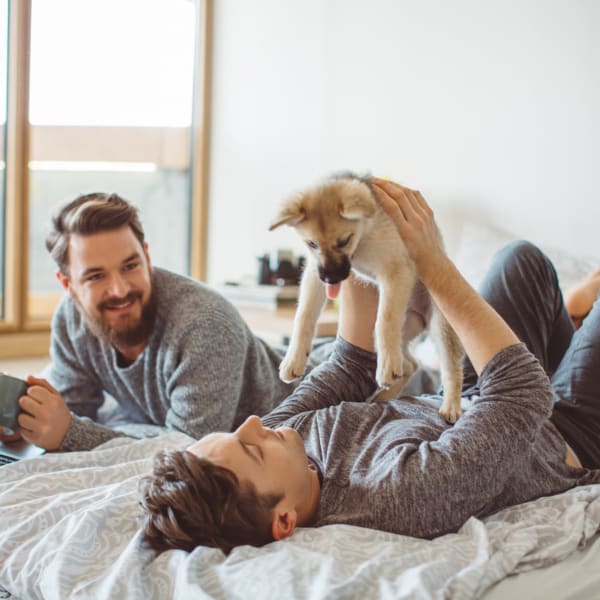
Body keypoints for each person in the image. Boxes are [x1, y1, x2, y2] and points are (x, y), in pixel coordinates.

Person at [139, 179, 600, 554]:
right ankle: (573, 335)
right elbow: (524, 397)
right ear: (285, 521)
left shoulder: (285, 437)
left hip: (476, 397)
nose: (257, 423)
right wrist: (432, 263)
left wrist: (363, 248)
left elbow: (350, 366)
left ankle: (568, 328)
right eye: (253, 449)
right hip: (564, 433)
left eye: (237, 431)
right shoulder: (396, 494)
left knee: (519, 262)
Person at [0, 193, 303, 452]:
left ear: (147, 256)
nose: (120, 289)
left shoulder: (206, 324)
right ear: (67, 284)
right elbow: (74, 410)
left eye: (130, 266)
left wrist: (70, 435)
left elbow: (188, 451)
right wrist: (30, 423)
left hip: (295, 415)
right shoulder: (70, 320)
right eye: (96, 276)